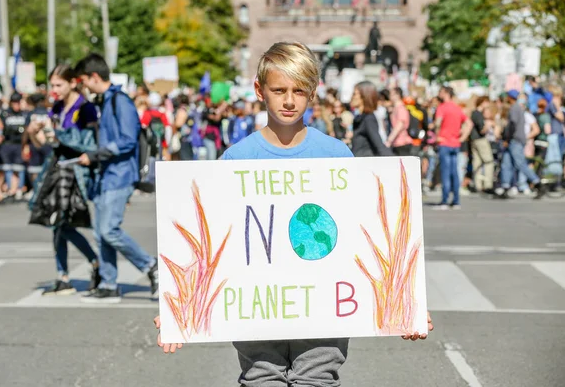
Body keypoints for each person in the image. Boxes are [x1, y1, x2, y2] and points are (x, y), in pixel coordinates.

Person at [153, 42, 434, 385]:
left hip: (324, 301)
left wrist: (407, 301)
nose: (289, 100)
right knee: (260, 378)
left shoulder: (335, 155)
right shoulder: (236, 159)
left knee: (317, 377)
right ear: (260, 90)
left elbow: (365, 231)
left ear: (313, 93)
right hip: (255, 302)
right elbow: (212, 240)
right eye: (279, 90)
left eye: (299, 91)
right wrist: (176, 310)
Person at [74, 53, 158, 303]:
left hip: (119, 175)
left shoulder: (119, 101)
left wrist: (96, 154)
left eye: (84, 81)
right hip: (106, 175)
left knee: (109, 231)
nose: (83, 86)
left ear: (94, 77)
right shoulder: (106, 101)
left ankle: (151, 266)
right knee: (101, 233)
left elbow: (127, 140)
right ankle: (109, 283)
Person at [27, 65, 101, 295]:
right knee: (57, 222)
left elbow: (87, 144)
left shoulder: (86, 109)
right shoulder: (58, 107)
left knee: (61, 223)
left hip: (76, 171)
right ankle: (66, 274)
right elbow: (45, 143)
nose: (54, 90)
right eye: (52, 85)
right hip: (58, 170)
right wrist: (33, 132)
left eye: (58, 84)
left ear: (72, 83)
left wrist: (56, 132)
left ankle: (91, 263)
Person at [495, 90, 546, 199]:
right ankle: (505, 186)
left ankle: (537, 182)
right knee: (506, 163)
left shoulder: (514, 108)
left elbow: (512, 124)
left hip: (515, 140)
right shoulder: (518, 107)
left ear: (510, 97)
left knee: (520, 163)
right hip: (515, 139)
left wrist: (507, 138)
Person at [434, 86, 473, 210]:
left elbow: (438, 123)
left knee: (445, 172)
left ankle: (445, 201)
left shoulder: (442, 107)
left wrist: (437, 135)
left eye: (440, 92)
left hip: (444, 142)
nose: (439, 94)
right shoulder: (457, 108)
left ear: (445, 93)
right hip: (455, 144)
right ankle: (456, 201)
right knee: (454, 172)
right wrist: (462, 137)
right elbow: (469, 123)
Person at [351, 81, 393, 157]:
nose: (352, 97)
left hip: (365, 164)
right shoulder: (358, 118)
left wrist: (396, 163)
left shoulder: (368, 119)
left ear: (364, 96)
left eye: (354, 94)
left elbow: (379, 145)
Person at [0, 92, 28, 200]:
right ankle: (10, 189)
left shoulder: (24, 114)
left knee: (18, 168)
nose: (16, 105)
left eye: (18, 102)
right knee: (7, 168)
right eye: (14, 103)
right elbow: (0, 128)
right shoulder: (5, 114)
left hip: (19, 144)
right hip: (7, 144)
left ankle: (18, 189)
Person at [470, 96, 494, 193]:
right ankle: (488, 184)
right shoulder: (478, 114)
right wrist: (488, 125)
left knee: (477, 162)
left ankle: (478, 184)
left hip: (474, 140)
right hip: (480, 140)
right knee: (489, 161)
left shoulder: (474, 113)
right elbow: (482, 130)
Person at [385, 87, 413, 155]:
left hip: (402, 143)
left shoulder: (401, 108)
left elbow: (399, 125)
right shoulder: (396, 108)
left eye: (391, 94)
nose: (390, 96)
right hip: (397, 143)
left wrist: (389, 140)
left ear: (397, 95)